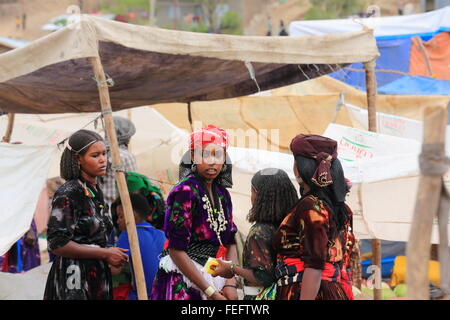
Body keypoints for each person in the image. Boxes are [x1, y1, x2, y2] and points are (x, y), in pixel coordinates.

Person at [152, 125, 239, 300]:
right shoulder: (184, 191)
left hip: (212, 274)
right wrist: (211, 292)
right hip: (182, 278)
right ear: (193, 156)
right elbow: (176, 249)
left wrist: (230, 283)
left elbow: (231, 242)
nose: (212, 161)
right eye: (205, 154)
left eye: (218, 154)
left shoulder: (223, 194)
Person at [43, 129, 129, 300]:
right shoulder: (69, 192)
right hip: (73, 278)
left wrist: (109, 254)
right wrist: (105, 254)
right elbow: (57, 243)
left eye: (104, 153)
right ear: (78, 159)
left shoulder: (95, 190)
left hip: (96, 276)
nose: (103, 159)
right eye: (95, 155)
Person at [273, 134, 355, 300]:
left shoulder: (311, 206)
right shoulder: (339, 208)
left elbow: (315, 265)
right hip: (329, 289)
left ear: (301, 167)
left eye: (295, 161)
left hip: (306, 291)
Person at [211, 168, 298, 300]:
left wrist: (232, 268)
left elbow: (263, 277)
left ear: (257, 194)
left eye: (251, 190)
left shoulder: (259, 232)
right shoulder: (291, 226)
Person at [111, 192, 166, 300]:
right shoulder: (162, 234)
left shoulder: (128, 234)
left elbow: (115, 270)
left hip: (142, 296)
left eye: (120, 216)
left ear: (133, 215)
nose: (117, 221)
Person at [101, 116, 137, 209]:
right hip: (118, 211)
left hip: (100, 208)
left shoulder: (99, 152)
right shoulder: (126, 156)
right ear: (126, 137)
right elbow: (134, 187)